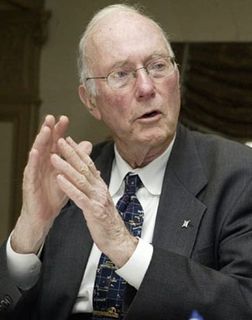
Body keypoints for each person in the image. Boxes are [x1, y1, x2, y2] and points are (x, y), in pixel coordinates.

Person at [1, 3, 252, 320]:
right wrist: (29, 232)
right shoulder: (71, 176)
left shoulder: (237, 173)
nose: (147, 88)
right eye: (121, 74)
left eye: (158, 66)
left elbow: (244, 303)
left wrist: (125, 248)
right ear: (91, 101)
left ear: (177, 75)